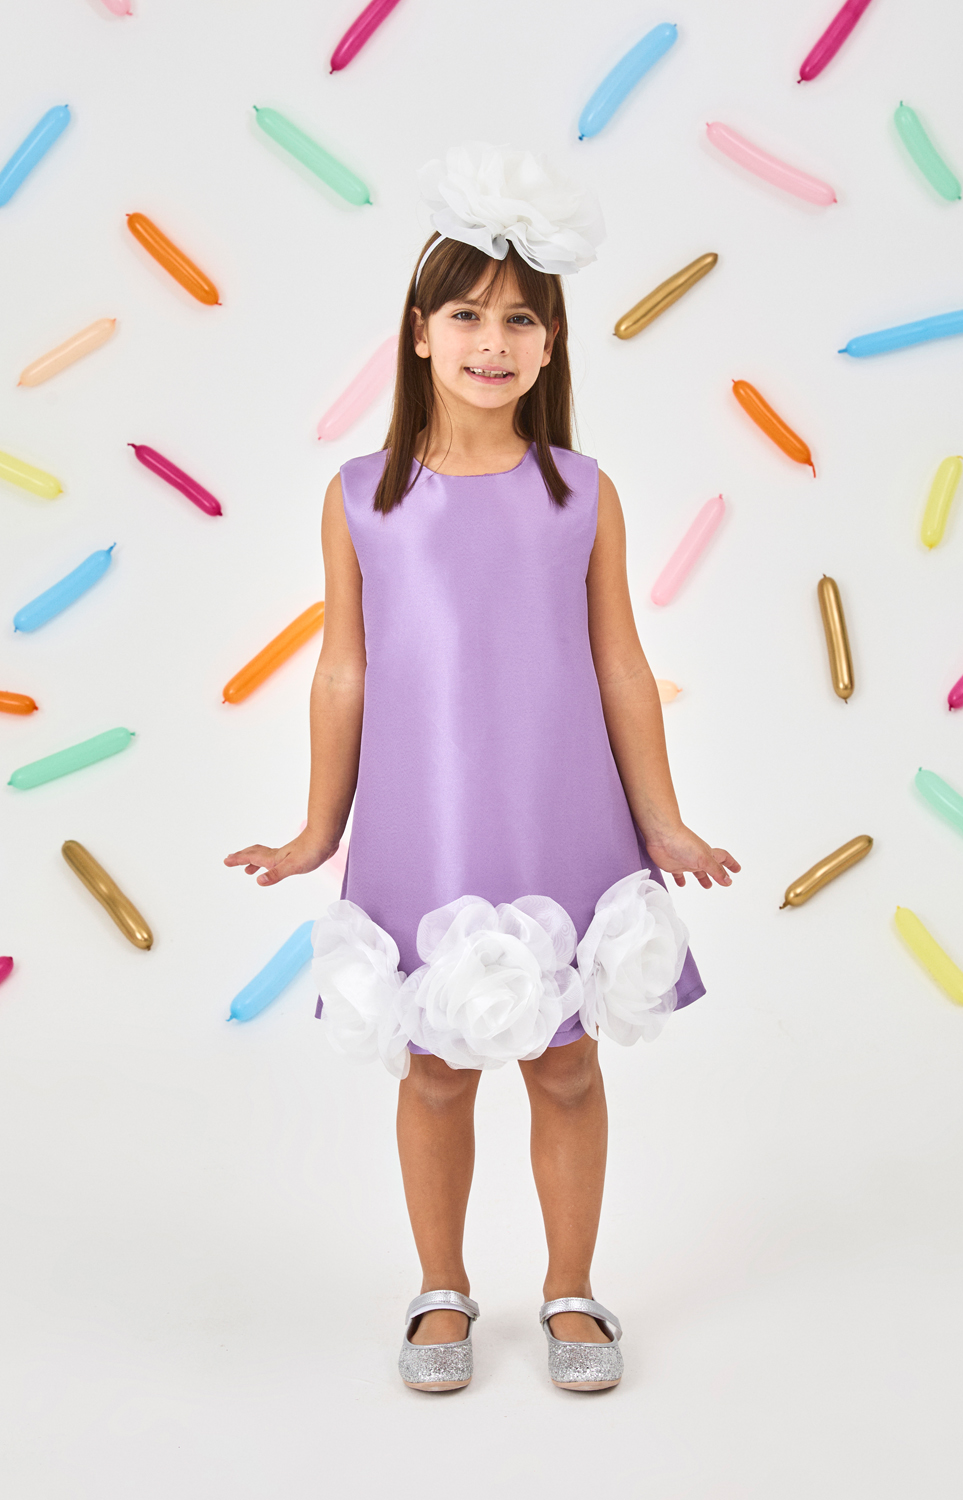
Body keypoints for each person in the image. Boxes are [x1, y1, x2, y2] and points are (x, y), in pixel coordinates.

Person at [224, 143, 740, 1395]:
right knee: (437, 1067)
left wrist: (663, 821)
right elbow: (342, 673)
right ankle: (441, 1286)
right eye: (465, 316)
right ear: (418, 335)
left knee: (565, 1062)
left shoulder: (582, 492)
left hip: (560, 816)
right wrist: (315, 830)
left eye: (519, 320)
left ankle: (569, 1288)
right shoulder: (361, 497)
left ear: (552, 346)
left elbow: (621, 666)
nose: (491, 341)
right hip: (428, 824)